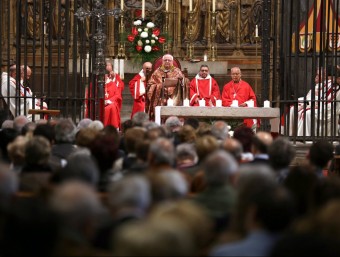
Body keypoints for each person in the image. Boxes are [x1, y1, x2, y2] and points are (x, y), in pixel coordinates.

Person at [295, 67, 340, 136]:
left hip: (329, 111)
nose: (330, 79)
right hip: (323, 107)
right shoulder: (329, 86)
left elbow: (334, 105)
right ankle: (301, 135)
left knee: (307, 113)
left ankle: (306, 136)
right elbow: (321, 97)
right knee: (302, 111)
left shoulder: (337, 89)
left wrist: (318, 104)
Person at [146, 54, 184, 120]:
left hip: (174, 97)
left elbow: (182, 84)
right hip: (159, 98)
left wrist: (181, 80)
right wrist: (160, 86)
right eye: (165, 60)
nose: (167, 61)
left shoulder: (177, 71)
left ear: (172, 62)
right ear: (162, 62)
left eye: (169, 60)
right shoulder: (157, 71)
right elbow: (150, 84)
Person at [103, 61, 124, 129]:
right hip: (103, 101)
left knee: (112, 106)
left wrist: (114, 79)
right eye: (107, 65)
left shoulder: (115, 76)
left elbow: (120, 87)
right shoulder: (100, 80)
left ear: (112, 67)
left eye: (110, 65)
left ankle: (113, 126)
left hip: (112, 100)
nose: (108, 67)